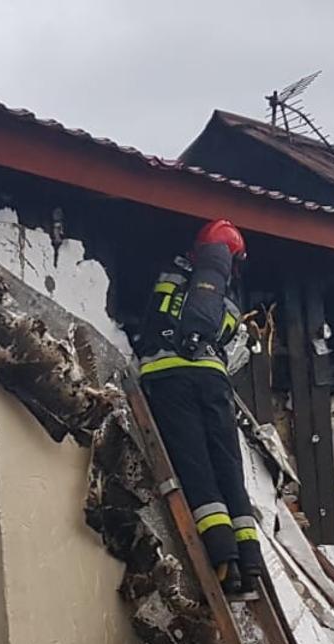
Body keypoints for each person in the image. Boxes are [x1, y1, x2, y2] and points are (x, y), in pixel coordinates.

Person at [134, 219, 263, 595]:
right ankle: (249, 559)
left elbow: (164, 319)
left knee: (195, 466)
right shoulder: (228, 293)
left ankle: (223, 560)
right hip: (213, 378)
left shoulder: (184, 273)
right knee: (228, 466)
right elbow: (219, 331)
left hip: (171, 376)